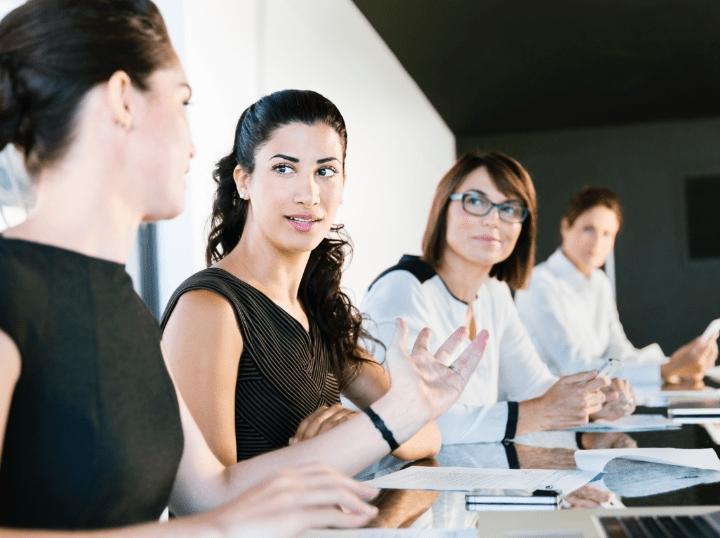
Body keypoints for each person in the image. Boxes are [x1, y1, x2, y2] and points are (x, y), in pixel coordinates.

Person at [0, 1, 488, 535]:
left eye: (326, 170)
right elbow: (209, 516)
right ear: (123, 99)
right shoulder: (12, 290)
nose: (191, 144)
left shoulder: (121, 303)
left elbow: (212, 489)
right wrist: (213, 530)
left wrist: (400, 413)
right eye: (182, 101)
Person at [161, 89, 441, 463]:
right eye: (283, 168)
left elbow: (425, 433)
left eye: (325, 171)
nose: (308, 194)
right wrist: (334, 448)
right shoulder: (207, 309)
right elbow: (206, 502)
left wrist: (357, 431)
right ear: (244, 181)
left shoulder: (315, 308)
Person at [361, 151, 633, 446]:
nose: (493, 220)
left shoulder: (494, 292)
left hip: (469, 476)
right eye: (475, 201)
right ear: (443, 208)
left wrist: (592, 401)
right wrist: (539, 412)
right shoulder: (403, 289)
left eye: (510, 209)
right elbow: (411, 421)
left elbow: (533, 386)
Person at [515, 186, 718, 388]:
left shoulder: (599, 282)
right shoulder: (538, 284)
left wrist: (675, 365)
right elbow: (573, 367)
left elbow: (619, 352)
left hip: (596, 402)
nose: (597, 242)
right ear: (565, 227)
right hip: (551, 406)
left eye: (607, 234)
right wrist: (666, 370)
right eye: (588, 229)